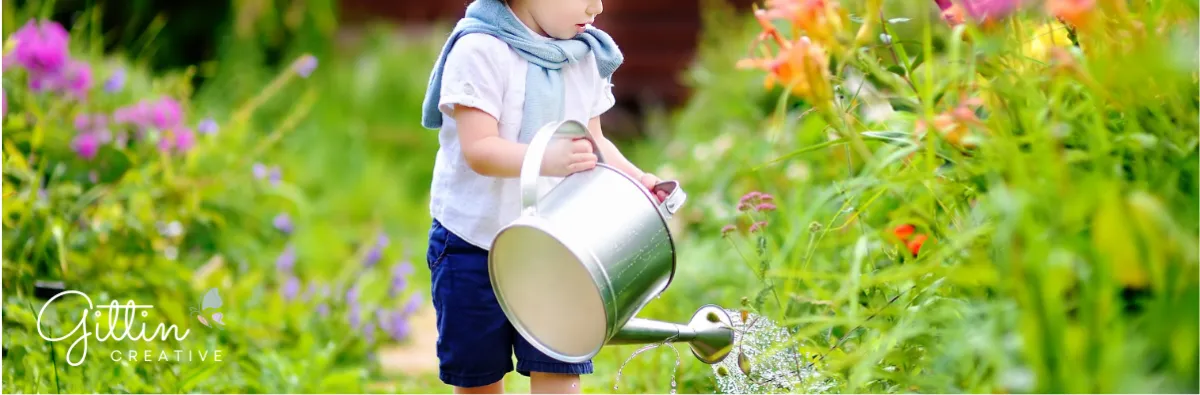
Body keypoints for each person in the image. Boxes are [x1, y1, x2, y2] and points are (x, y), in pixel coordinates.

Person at [419, 0, 669, 393]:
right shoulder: (480, 50)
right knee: (478, 374)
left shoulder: (583, 55)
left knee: (559, 366)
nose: (597, 7)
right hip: (474, 242)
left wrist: (637, 180)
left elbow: (595, 142)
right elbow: (479, 149)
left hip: (557, 247)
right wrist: (545, 157)